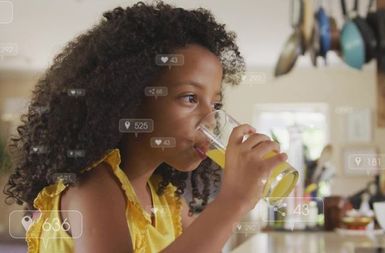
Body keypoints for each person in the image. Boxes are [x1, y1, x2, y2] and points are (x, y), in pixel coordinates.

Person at [4, 2, 287, 252]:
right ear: (131, 100)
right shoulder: (92, 188)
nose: (210, 120)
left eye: (214, 104)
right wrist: (233, 201)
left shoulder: (166, 200)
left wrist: (245, 194)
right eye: (190, 98)